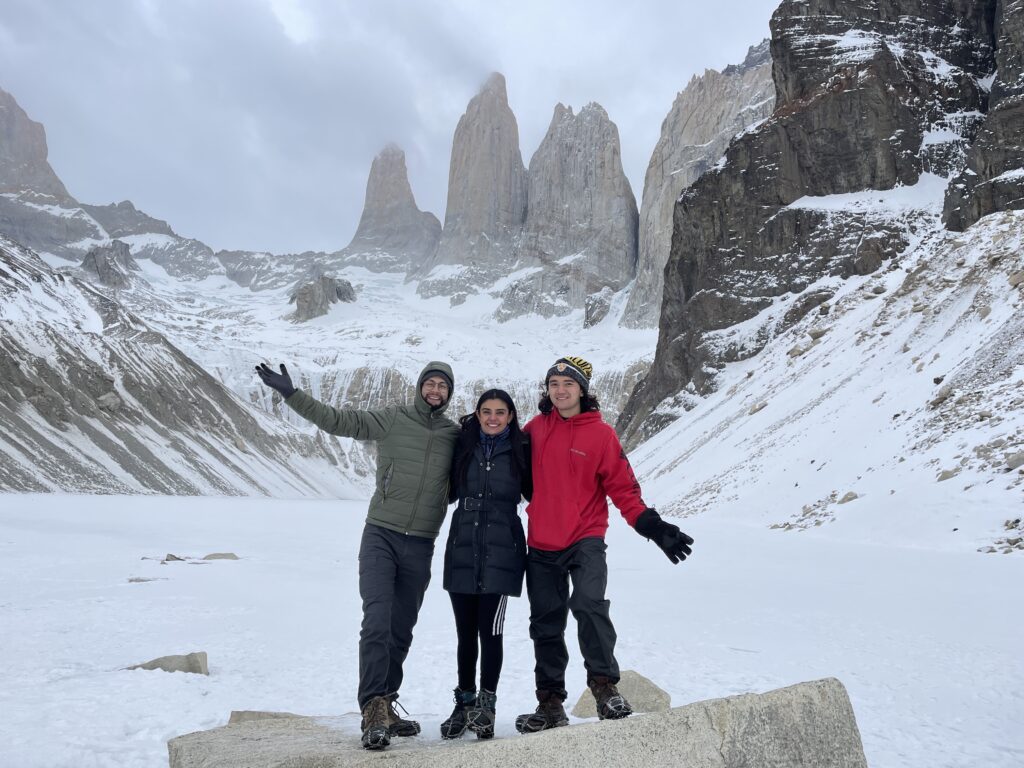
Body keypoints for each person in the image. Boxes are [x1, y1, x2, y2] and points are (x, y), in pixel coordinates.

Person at [255, 360, 458, 751]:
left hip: (421, 542)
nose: (435, 390)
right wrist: (291, 393)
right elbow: (339, 421)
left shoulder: (454, 433)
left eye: (442, 386)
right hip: (381, 533)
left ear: (448, 393)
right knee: (377, 620)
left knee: (401, 628)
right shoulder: (393, 419)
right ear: (420, 387)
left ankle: (386, 701)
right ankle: (372, 710)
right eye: (430, 383)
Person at [514, 356, 694, 733]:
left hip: (585, 538)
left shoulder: (601, 435)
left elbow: (623, 488)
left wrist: (652, 526)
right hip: (542, 542)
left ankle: (604, 687)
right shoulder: (534, 429)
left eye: (568, 384)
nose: (560, 391)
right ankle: (550, 703)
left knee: (589, 603)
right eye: (554, 384)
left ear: (582, 389)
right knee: (545, 623)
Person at [439, 389, 531, 741]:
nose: (493, 418)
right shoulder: (462, 446)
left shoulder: (521, 450)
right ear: (477, 415)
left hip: (502, 553)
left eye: (500, 412)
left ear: (510, 416)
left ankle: (487, 706)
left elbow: (544, 490)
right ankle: (464, 703)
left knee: (490, 634)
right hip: (462, 549)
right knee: (465, 634)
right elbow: (443, 487)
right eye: (486, 411)